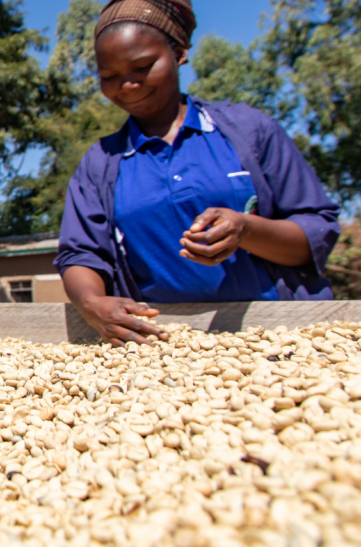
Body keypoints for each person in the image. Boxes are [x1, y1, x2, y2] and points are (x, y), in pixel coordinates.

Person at [54, 0, 341, 347]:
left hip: (282, 335)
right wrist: (91, 303)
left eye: (143, 66)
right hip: (164, 344)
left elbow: (316, 233)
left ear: (179, 52)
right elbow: (81, 253)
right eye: (109, 76)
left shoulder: (248, 131)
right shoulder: (101, 162)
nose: (127, 85)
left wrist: (246, 229)